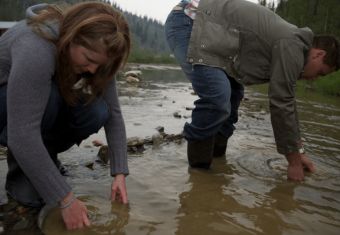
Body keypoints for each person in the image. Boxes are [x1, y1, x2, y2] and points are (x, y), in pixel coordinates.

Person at [165, 0, 340, 181]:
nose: (314, 78)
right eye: (320, 72)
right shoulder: (293, 45)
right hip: (189, 19)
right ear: (319, 54)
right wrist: (294, 163)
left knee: (232, 99)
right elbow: (281, 102)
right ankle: (200, 177)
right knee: (217, 98)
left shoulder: (294, 45)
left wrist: (298, 150)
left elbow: (289, 102)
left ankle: (216, 164)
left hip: (214, 39)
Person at [0, 1, 130, 232]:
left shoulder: (99, 53)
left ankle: (44, 159)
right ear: (72, 37)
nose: (91, 70)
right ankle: (22, 184)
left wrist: (119, 172)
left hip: (32, 108)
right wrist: (66, 199)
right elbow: (22, 134)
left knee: (97, 110)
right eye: (88, 60)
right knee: (48, 101)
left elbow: (114, 114)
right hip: (6, 109)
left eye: (98, 65)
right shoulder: (36, 46)